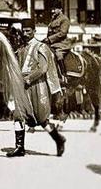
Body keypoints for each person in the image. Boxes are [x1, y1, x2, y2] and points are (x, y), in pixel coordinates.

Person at [7, 19, 66, 157]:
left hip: (37, 85)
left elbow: (43, 68)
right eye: (24, 31)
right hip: (22, 85)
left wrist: (29, 78)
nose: (26, 33)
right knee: (18, 114)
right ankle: (19, 147)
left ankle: (59, 139)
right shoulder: (21, 48)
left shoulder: (41, 47)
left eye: (29, 31)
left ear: (34, 31)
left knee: (41, 119)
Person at [43, 0, 71, 83]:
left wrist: (49, 39)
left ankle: (63, 75)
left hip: (61, 44)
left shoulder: (64, 19)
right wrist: (45, 40)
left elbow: (63, 33)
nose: (52, 11)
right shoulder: (53, 19)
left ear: (60, 9)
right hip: (52, 44)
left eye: (55, 9)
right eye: (52, 9)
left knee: (58, 55)